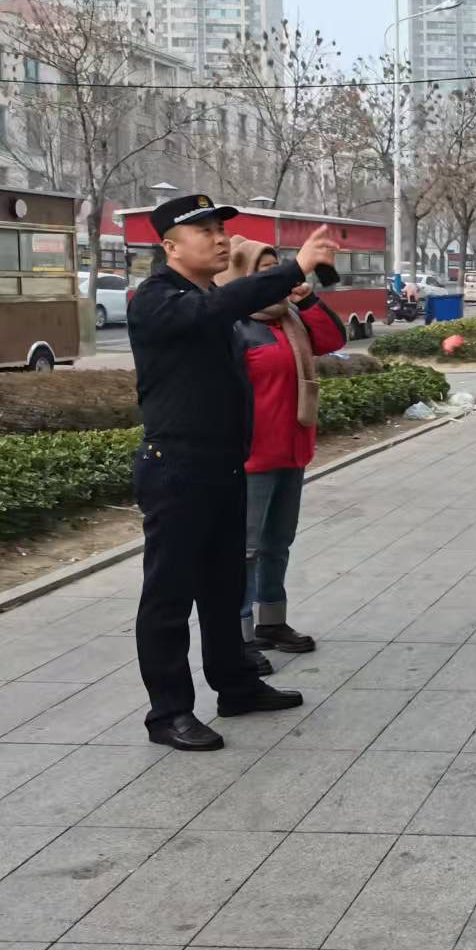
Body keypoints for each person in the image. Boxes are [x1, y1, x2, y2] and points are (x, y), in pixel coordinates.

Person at [127, 194, 338, 751]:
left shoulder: (207, 299)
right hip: (176, 469)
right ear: (170, 246)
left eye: (221, 229)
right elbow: (217, 310)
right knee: (169, 596)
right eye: (205, 231)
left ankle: (236, 686)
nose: (220, 239)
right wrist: (292, 268)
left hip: (223, 465)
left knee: (224, 588)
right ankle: (168, 713)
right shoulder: (157, 299)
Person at [218, 236, 347, 672]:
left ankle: (272, 621)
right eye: (265, 271)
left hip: (292, 450)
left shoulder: (289, 318)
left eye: (278, 268)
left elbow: (331, 339)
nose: (275, 277)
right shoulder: (233, 325)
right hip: (251, 458)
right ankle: (237, 636)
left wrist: (306, 298)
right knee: (244, 550)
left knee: (278, 543)